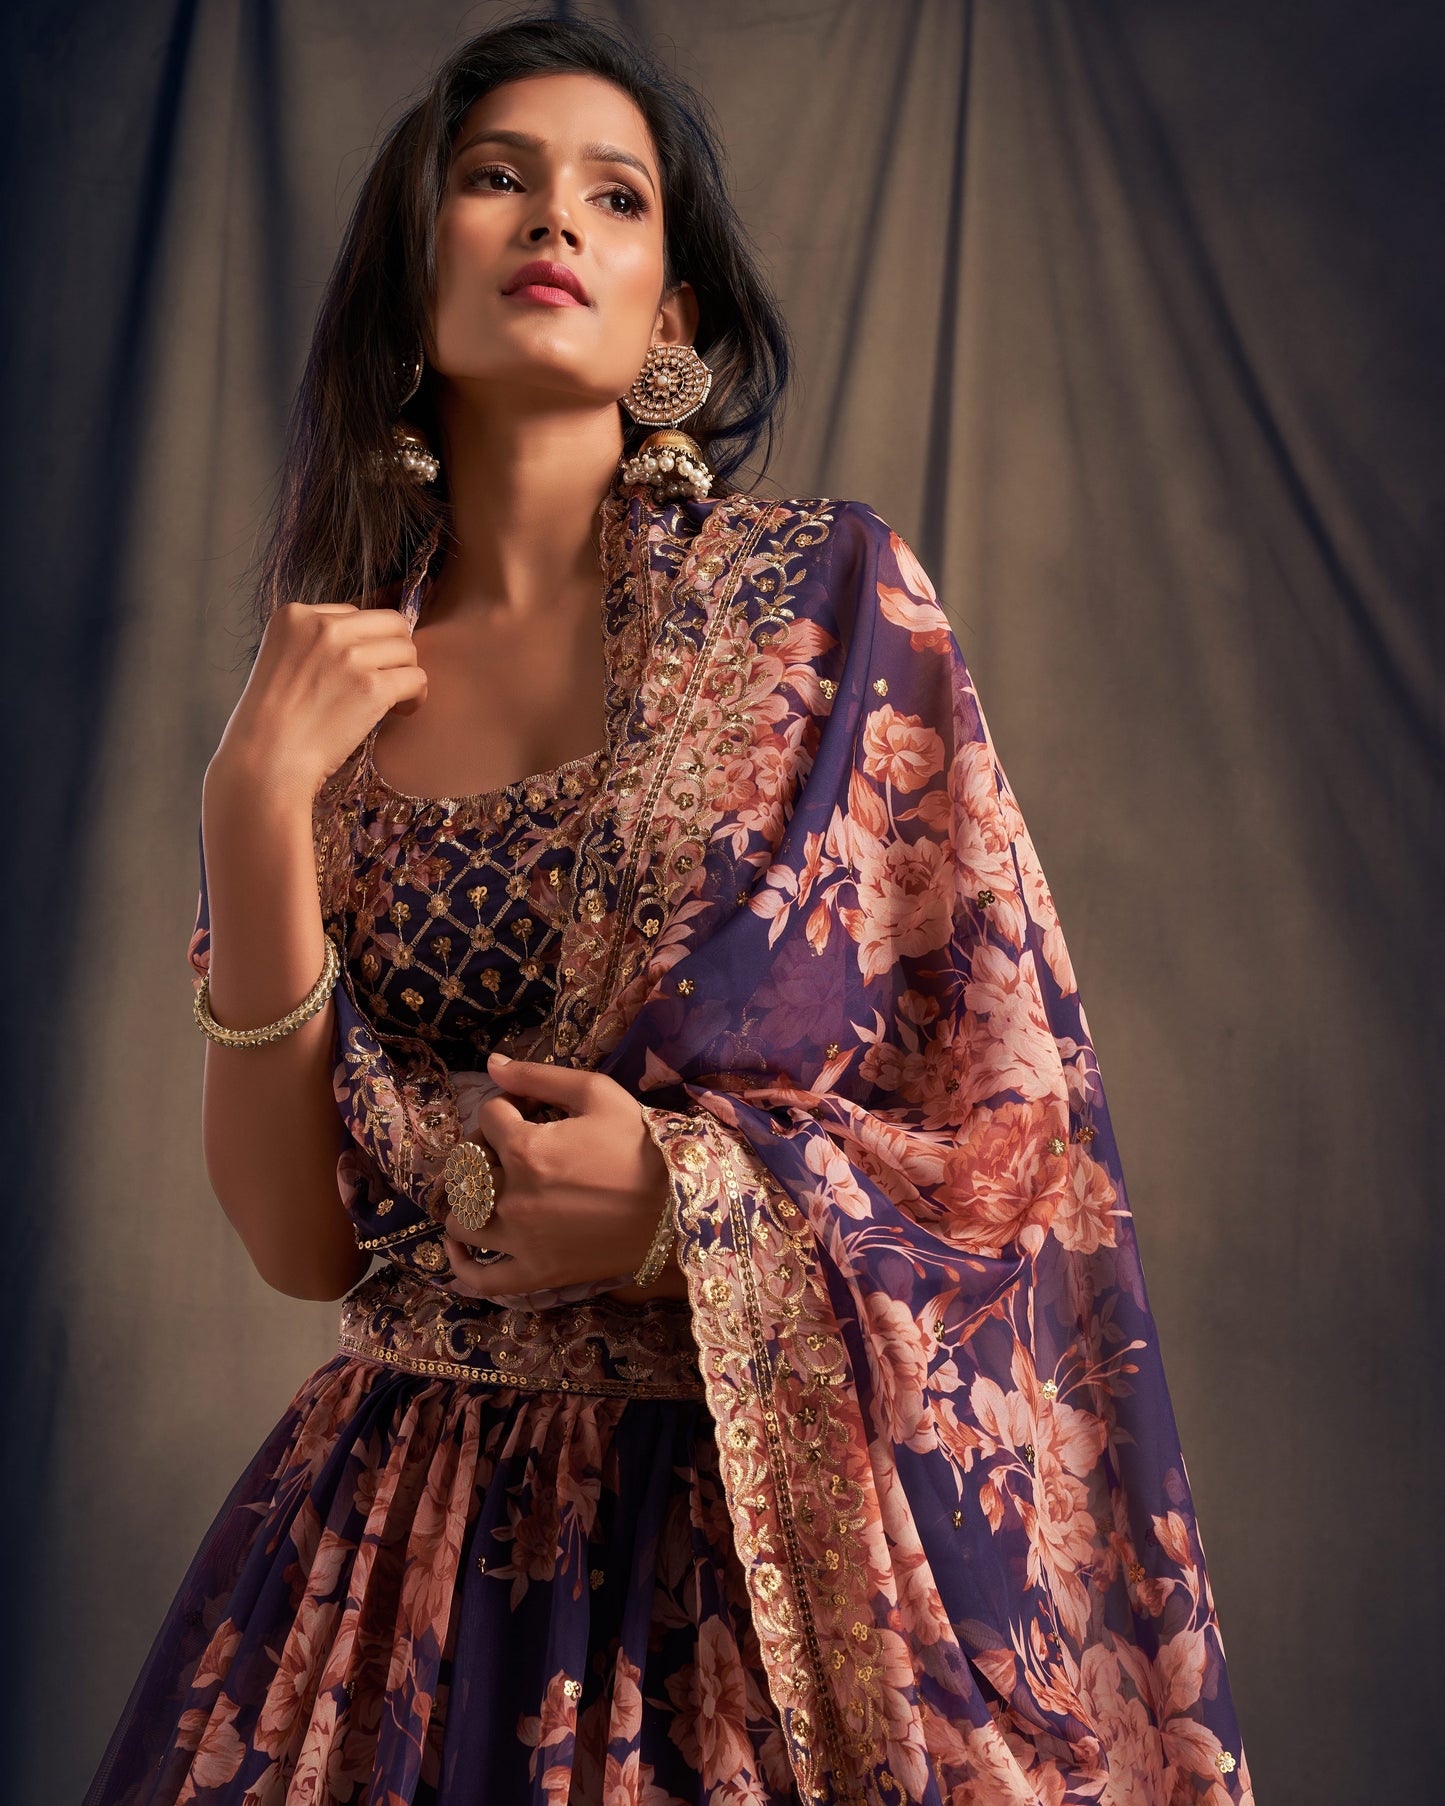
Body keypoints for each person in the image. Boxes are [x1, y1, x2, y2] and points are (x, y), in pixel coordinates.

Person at [83, 15, 1252, 1806]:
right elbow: (303, 1241)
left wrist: (680, 1210)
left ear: (672, 321)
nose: (553, 214)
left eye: (612, 196)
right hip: (397, 1560)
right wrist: (247, 801)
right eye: (494, 178)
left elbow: (1011, 1141)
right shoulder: (318, 704)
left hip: (732, 1567)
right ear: (418, 269)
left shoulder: (827, 613)